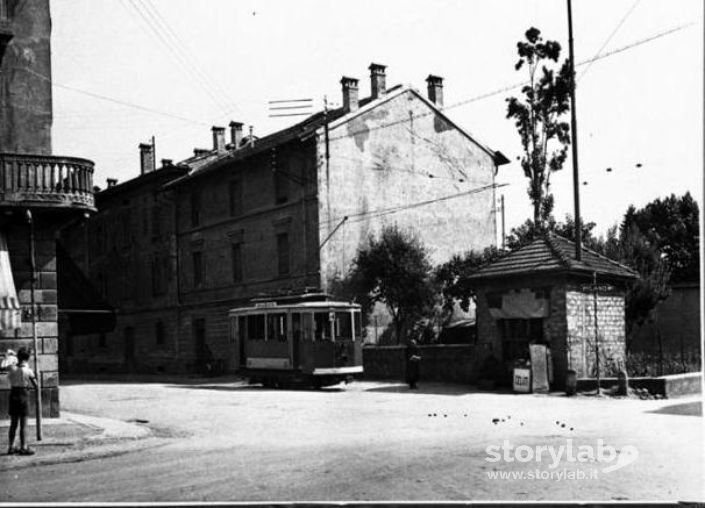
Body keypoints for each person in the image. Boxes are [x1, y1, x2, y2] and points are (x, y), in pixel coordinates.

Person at [7, 347, 38, 455]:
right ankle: (23, 447)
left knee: (13, 423)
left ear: (18, 357)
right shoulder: (28, 370)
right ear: (28, 358)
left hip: (13, 394)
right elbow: (36, 386)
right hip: (23, 394)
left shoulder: (12, 368)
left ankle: (11, 446)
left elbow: (11, 367)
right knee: (23, 424)